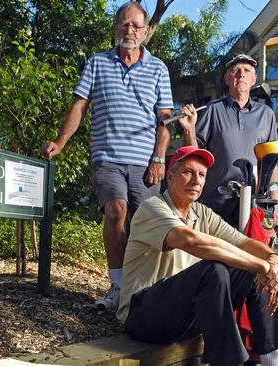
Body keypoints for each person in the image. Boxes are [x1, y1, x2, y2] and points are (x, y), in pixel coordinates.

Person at [41, 1, 173, 313]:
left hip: (145, 163)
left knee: (149, 224)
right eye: (124, 24)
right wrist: (61, 141)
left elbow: (164, 119)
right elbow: (80, 106)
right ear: (116, 29)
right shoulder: (98, 63)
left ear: (144, 32)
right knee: (116, 212)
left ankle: (148, 288)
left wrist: (159, 158)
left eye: (136, 26)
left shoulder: (158, 69)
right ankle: (118, 286)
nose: (130, 30)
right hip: (108, 157)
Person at [117, 146, 278, 366]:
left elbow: (244, 242)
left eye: (201, 175)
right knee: (215, 270)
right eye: (187, 172)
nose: (195, 180)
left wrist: (274, 261)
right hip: (143, 314)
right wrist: (261, 265)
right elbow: (190, 240)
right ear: (170, 176)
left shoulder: (202, 212)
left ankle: (272, 359)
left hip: (186, 313)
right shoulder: (152, 208)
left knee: (252, 270)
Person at [181, 54, 278, 229]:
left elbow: (271, 161)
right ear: (227, 79)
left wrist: (274, 200)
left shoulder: (266, 115)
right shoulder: (212, 110)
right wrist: (189, 129)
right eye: (235, 71)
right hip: (216, 201)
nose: (241, 74)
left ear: (253, 79)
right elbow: (194, 155)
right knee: (214, 254)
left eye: (247, 71)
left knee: (252, 253)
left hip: (255, 203)